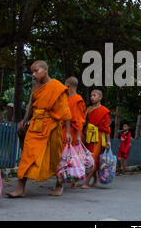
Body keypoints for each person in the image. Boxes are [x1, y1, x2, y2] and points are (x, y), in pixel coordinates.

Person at [7, 60, 72, 198]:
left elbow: (65, 112)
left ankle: (59, 184)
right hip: (36, 124)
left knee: (55, 157)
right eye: (32, 72)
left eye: (36, 71)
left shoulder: (57, 87)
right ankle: (20, 189)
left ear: (45, 70)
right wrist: (24, 120)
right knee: (27, 155)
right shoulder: (36, 85)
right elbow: (32, 102)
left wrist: (67, 132)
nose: (33, 74)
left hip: (52, 126)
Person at [81, 89, 111, 189]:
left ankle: (86, 182)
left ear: (100, 97)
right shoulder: (89, 109)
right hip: (88, 135)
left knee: (93, 158)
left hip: (97, 137)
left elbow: (106, 128)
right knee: (87, 157)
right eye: (91, 96)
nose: (92, 97)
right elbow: (84, 123)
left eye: (94, 95)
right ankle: (94, 178)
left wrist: (108, 141)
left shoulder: (104, 111)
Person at [63, 77, 86, 188]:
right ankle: (70, 178)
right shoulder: (67, 99)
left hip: (72, 132)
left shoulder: (77, 100)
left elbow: (78, 119)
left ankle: (67, 181)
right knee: (66, 157)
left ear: (68, 85)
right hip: (65, 130)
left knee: (71, 157)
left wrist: (78, 136)